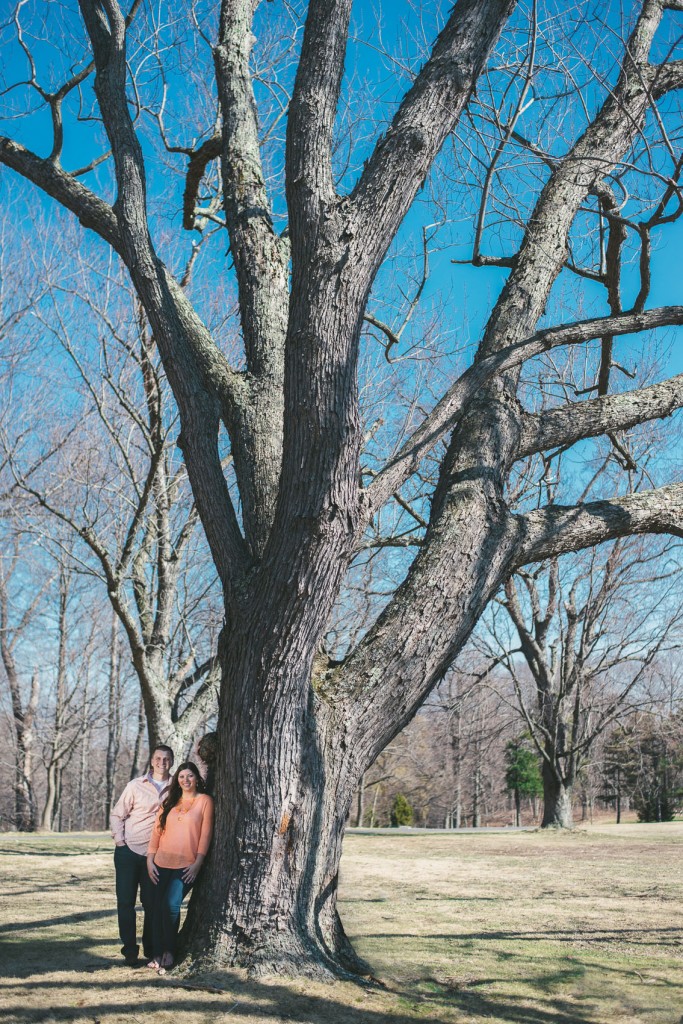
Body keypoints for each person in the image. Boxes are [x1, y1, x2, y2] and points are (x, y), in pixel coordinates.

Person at [146, 760, 214, 973]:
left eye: (190, 776)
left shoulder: (205, 801)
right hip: (160, 861)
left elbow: (206, 833)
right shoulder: (169, 801)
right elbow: (157, 832)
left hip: (186, 864)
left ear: (197, 778)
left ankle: (169, 950)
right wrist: (150, 860)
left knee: (170, 905)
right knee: (156, 909)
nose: (186, 780)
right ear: (177, 780)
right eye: (182, 776)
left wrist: (198, 862)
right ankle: (156, 953)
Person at [110, 744, 174, 966]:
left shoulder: (177, 787)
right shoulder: (135, 786)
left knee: (151, 903)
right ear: (152, 761)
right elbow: (118, 814)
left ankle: (150, 949)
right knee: (125, 903)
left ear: (171, 762)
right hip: (128, 852)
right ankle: (129, 950)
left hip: (156, 856)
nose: (162, 762)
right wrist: (120, 842)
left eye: (166, 759)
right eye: (158, 758)